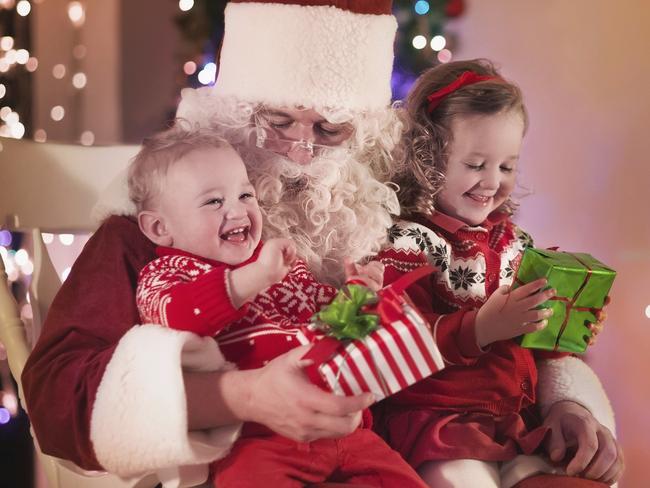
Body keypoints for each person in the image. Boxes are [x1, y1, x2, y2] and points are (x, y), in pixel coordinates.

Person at [21, 2, 620, 487]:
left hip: (405, 454)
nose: (302, 150)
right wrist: (240, 395)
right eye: (278, 121)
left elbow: (497, 318)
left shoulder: (394, 208)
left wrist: (568, 402)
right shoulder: (156, 221)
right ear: (230, 112)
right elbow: (56, 399)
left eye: (331, 128)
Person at [373, 59, 623, 487]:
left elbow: (539, 347)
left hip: (516, 422)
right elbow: (396, 343)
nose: (492, 182)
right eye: (475, 165)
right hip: (438, 423)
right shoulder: (408, 244)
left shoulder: (514, 243)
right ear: (427, 158)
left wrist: (564, 321)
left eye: (506, 166)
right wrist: (481, 327)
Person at [130, 128, 424, 486]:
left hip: (346, 431)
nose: (237, 211)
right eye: (213, 202)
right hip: (258, 437)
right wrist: (253, 278)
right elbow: (176, 319)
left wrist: (359, 294)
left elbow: (331, 327)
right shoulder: (167, 274)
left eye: (245, 194)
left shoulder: (282, 264)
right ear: (160, 228)